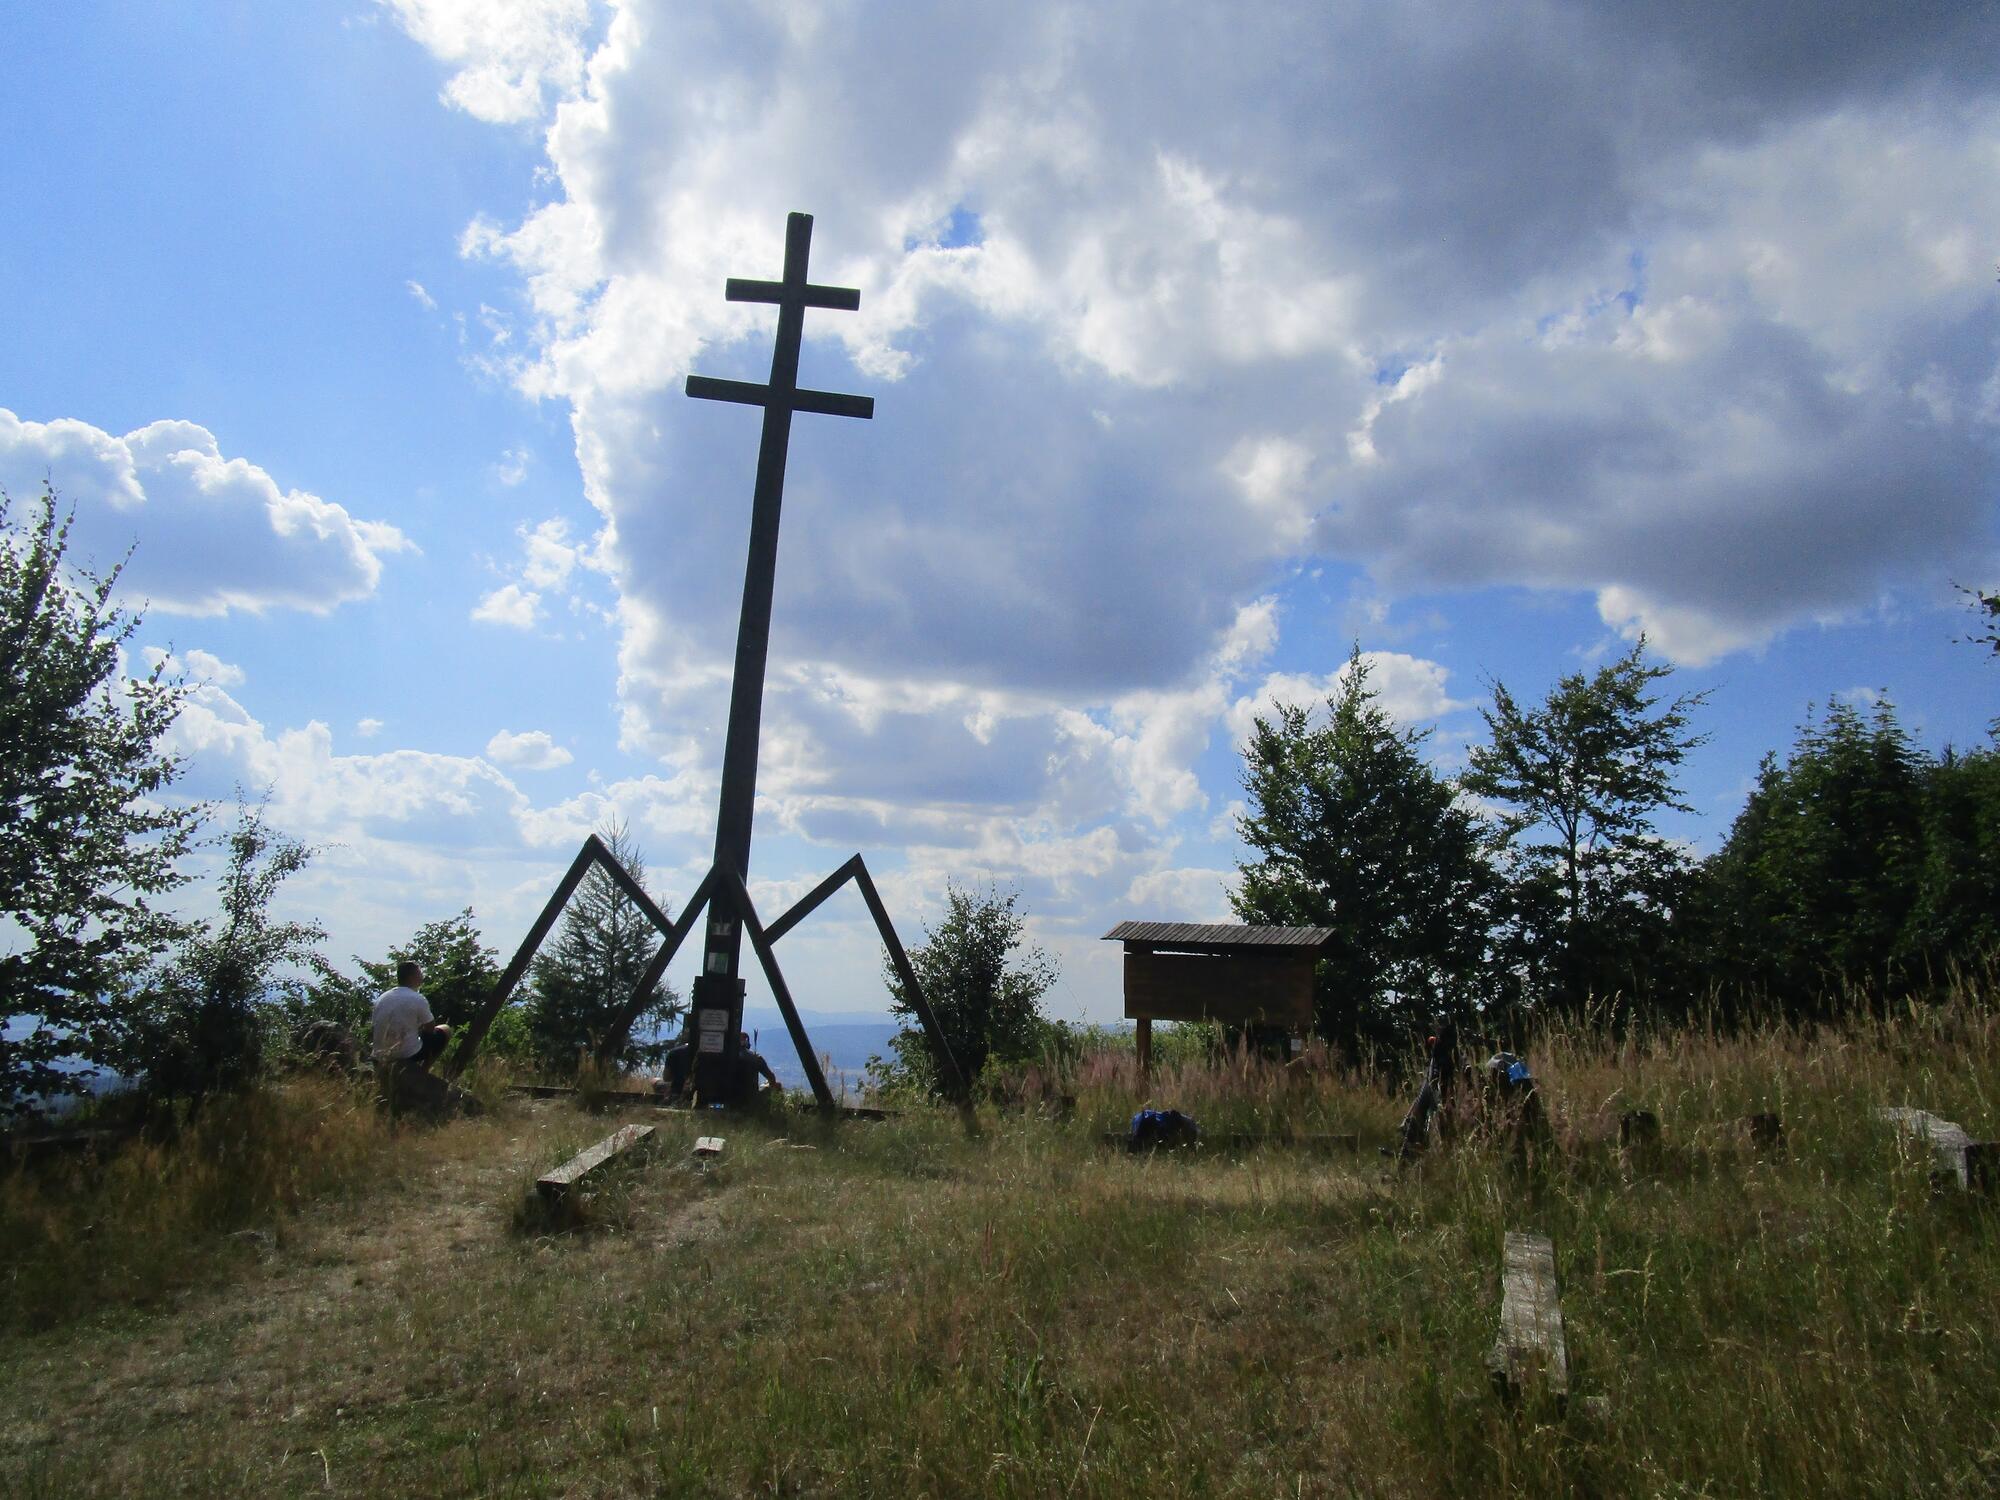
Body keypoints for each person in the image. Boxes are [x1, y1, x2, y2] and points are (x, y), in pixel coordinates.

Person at [372, 960, 451, 1076]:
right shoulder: (417, 998)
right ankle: (423, 1072)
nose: (422, 976)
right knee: (446, 1030)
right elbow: (430, 1029)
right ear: (411, 977)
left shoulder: (381, 998)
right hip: (406, 1053)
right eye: (419, 973)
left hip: (380, 1053)